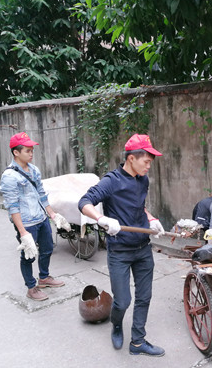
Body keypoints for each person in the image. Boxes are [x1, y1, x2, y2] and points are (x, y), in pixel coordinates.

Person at [78, 133, 166, 357]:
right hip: (120, 251)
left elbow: (139, 208)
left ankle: (138, 341)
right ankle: (116, 325)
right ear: (131, 158)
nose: (149, 167)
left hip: (143, 249)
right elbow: (84, 203)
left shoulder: (142, 180)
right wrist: (102, 219)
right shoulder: (112, 181)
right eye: (146, 161)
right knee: (123, 300)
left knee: (144, 297)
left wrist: (152, 219)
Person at [0, 132, 71, 301]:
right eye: (27, 150)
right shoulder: (9, 177)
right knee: (28, 255)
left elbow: (41, 194)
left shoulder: (34, 170)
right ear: (16, 152)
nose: (31, 154)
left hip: (41, 218)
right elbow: (12, 207)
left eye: (32, 150)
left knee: (47, 249)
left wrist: (52, 214)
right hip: (26, 223)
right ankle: (31, 287)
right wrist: (23, 232)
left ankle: (44, 278)